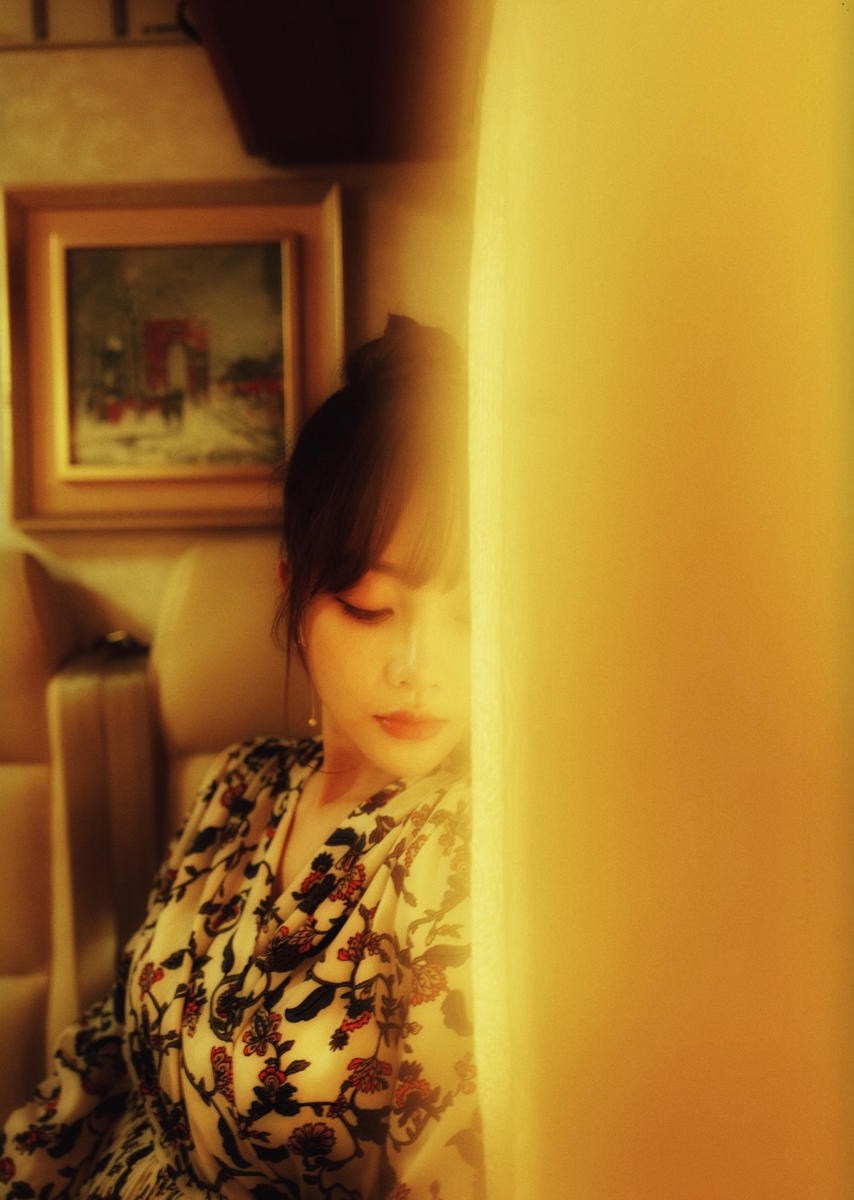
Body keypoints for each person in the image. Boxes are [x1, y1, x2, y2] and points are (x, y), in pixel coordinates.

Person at [0, 316, 482, 1200]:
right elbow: (106, 1050)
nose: (420, 669)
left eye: (470, 616)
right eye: (369, 606)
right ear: (293, 591)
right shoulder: (243, 782)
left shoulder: (458, 848)